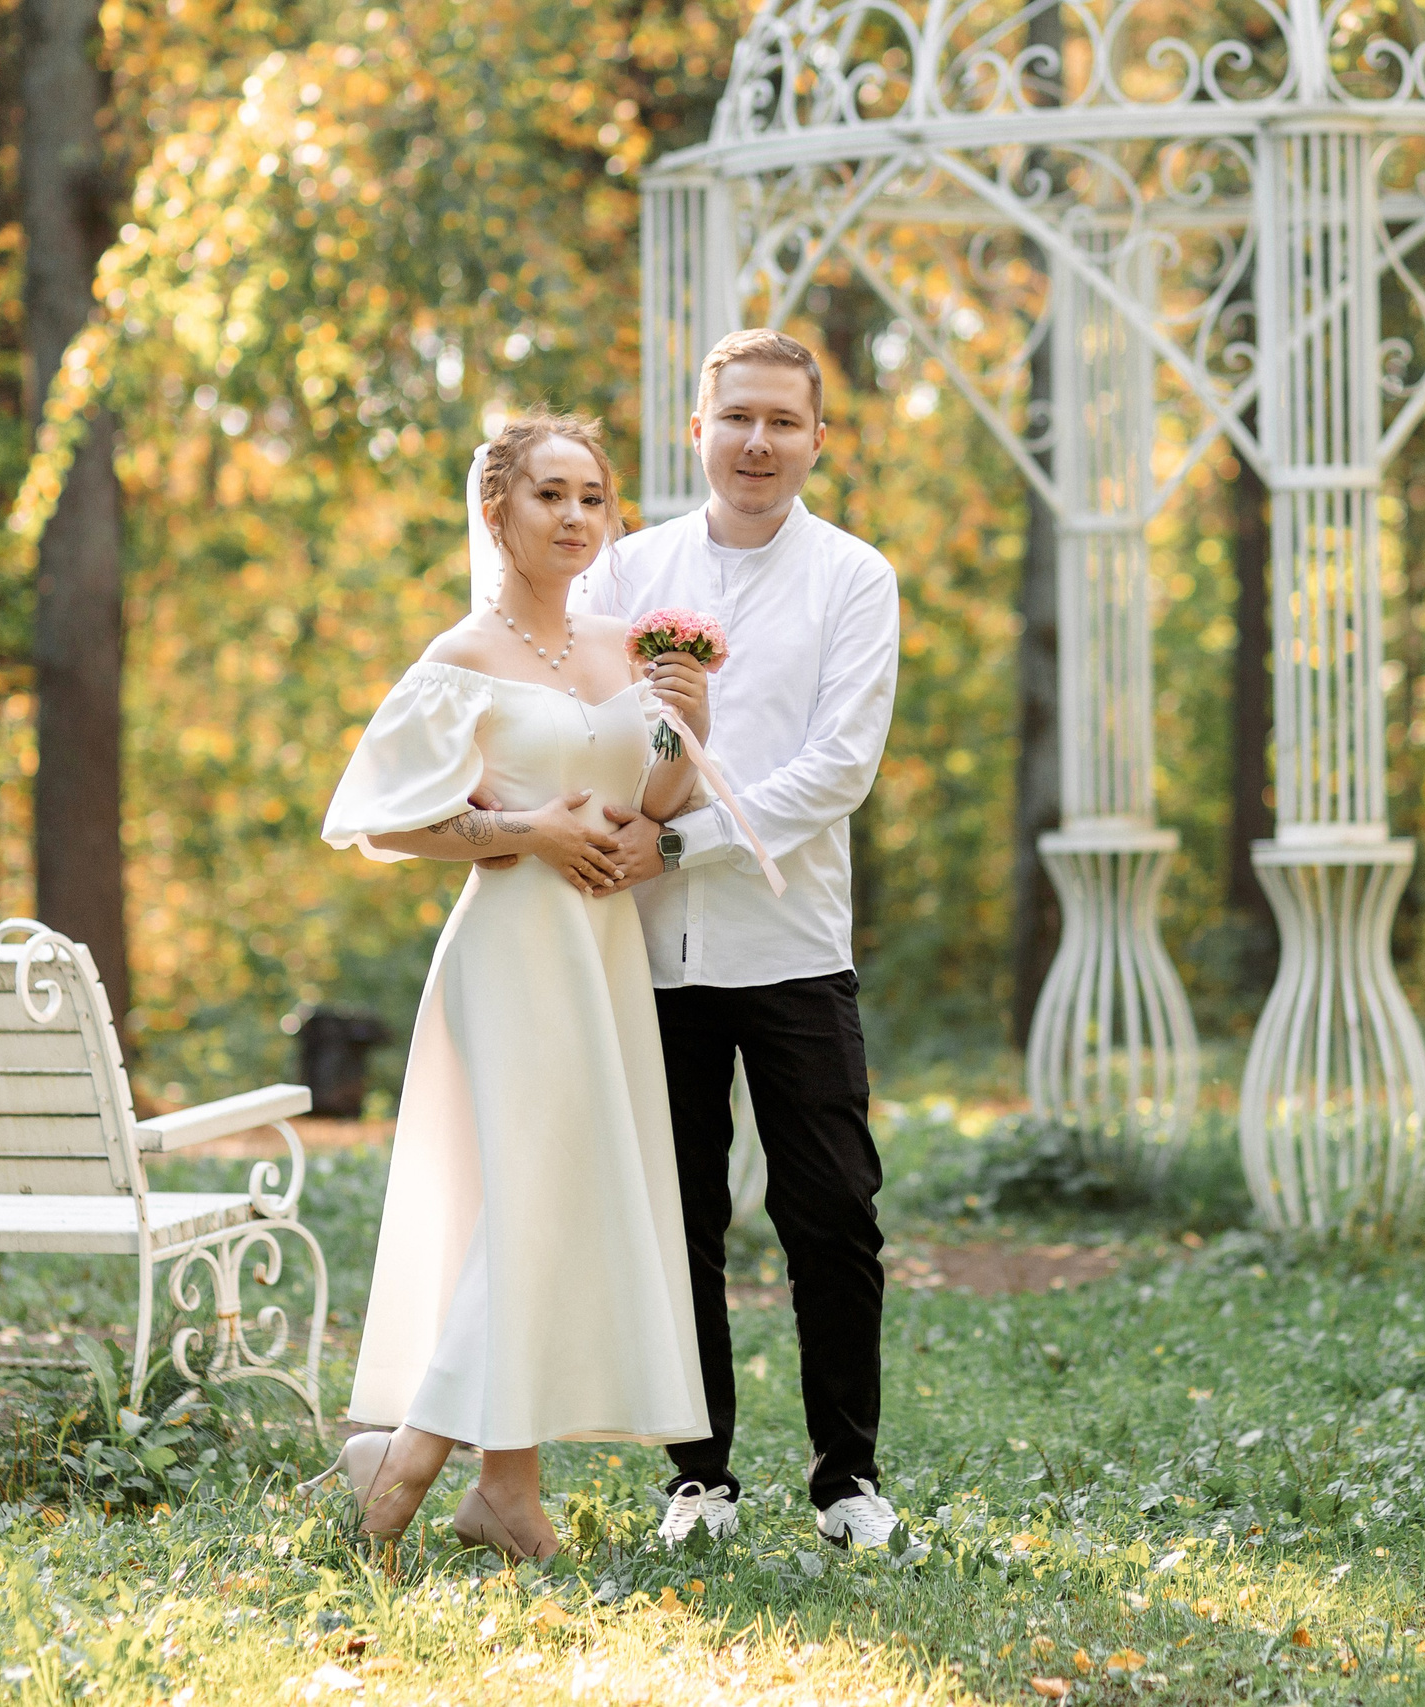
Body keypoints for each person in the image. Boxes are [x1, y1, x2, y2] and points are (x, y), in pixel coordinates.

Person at [301, 413, 714, 1560]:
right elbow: (383, 823)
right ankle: (410, 1468)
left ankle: (507, 1493)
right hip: (511, 954)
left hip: (603, 957)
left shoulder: (626, 647)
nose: (576, 516)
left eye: (592, 496)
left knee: (544, 1209)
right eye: (549, 495)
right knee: (527, 1202)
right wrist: (520, 828)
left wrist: (690, 723)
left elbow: (659, 805)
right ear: (498, 511)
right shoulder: (461, 657)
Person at [573, 328, 904, 1551]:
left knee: (833, 1213)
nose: (759, 442)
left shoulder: (854, 578)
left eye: (785, 421)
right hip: (648, 949)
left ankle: (847, 1481)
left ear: (818, 439)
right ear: (698, 430)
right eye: (739, 418)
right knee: (680, 1214)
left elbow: (839, 769)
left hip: (793, 943)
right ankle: (696, 1473)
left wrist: (685, 840)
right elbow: (589, 727)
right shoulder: (627, 573)